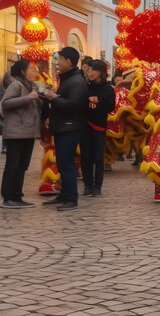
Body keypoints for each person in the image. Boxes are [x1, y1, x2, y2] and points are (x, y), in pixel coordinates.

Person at [41, 47, 89, 211]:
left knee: (67, 165)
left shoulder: (77, 81)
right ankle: (63, 196)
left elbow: (73, 106)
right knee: (62, 163)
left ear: (69, 61)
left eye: (60, 59)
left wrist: (53, 98)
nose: (57, 63)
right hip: (63, 127)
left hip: (70, 128)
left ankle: (71, 199)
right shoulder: (69, 79)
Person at [0, 59, 42, 208]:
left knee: (23, 165)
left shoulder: (30, 86)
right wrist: (27, 98)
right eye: (31, 69)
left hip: (28, 132)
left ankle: (17, 196)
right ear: (22, 71)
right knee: (13, 165)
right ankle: (8, 197)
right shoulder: (16, 84)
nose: (34, 72)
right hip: (16, 132)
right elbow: (5, 103)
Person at [80, 59, 116, 196]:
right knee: (86, 155)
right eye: (88, 69)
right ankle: (87, 184)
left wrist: (98, 103)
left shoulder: (107, 88)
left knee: (97, 156)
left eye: (92, 69)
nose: (89, 72)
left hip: (99, 125)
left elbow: (111, 107)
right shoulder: (85, 86)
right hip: (85, 124)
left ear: (100, 72)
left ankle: (97, 185)